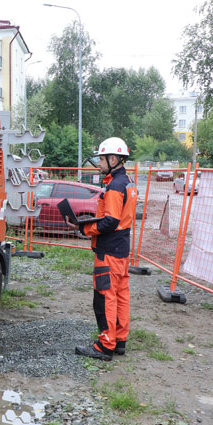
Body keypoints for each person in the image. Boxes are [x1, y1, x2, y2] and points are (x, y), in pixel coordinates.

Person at [67, 137, 138, 361]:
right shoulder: (128, 181)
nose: (98, 163)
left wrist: (83, 227)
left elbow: (110, 221)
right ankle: (119, 339)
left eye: (102, 158)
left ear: (114, 158)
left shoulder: (115, 186)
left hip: (108, 251)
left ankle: (105, 345)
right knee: (120, 296)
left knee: (105, 297)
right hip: (121, 250)